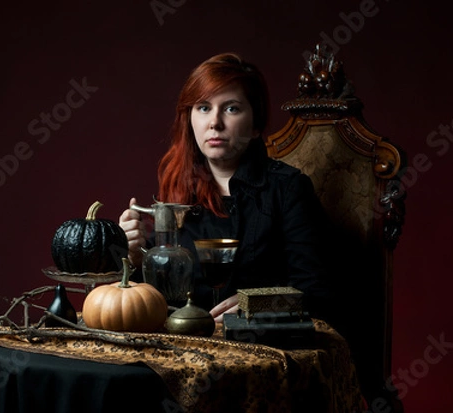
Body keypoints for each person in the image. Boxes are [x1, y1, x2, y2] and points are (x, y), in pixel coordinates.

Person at [119, 53, 334, 323]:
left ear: (256, 125)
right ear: (190, 119)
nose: (215, 123)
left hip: (258, 348)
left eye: (231, 108)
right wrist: (133, 256)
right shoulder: (179, 189)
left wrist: (257, 307)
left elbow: (317, 294)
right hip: (185, 342)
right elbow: (155, 296)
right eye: (204, 108)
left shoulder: (288, 189)